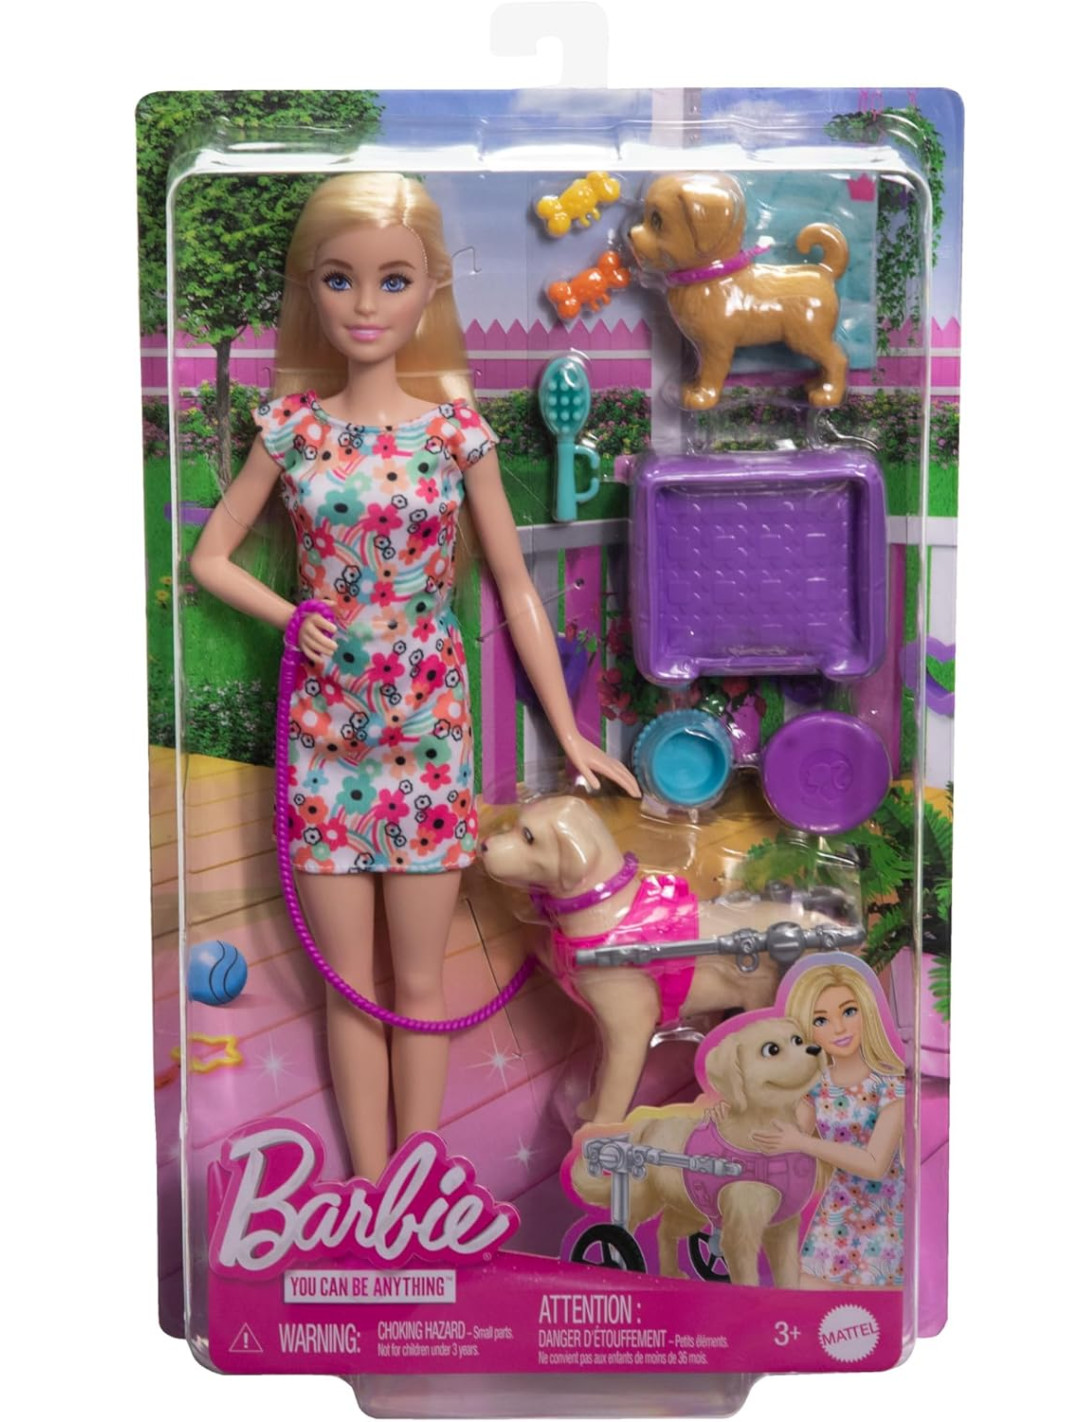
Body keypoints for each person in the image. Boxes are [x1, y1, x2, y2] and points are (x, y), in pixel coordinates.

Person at [191, 173, 638, 1181]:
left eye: (391, 280)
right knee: (350, 987)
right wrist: (291, 615)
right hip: (324, 741)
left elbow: (515, 588)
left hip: (428, 740)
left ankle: (415, 1187)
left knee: (422, 986)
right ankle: (367, 1192)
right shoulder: (292, 429)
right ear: (311, 288)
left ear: (432, 286)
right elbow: (211, 558)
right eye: (339, 279)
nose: (364, 305)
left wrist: (568, 730)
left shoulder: (454, 434)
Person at [751, 960, 906, 1288]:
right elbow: (785, 1135)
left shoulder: (890, 1085)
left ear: (867, 1011)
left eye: (849, 1012)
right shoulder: (818, 1085)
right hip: (837, 1213)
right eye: (821, 1020)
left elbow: (875, 1164)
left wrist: (803, 1143)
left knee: (873, 1297)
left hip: (886, 1215)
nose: (838, 1028)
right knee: (803, 1287)